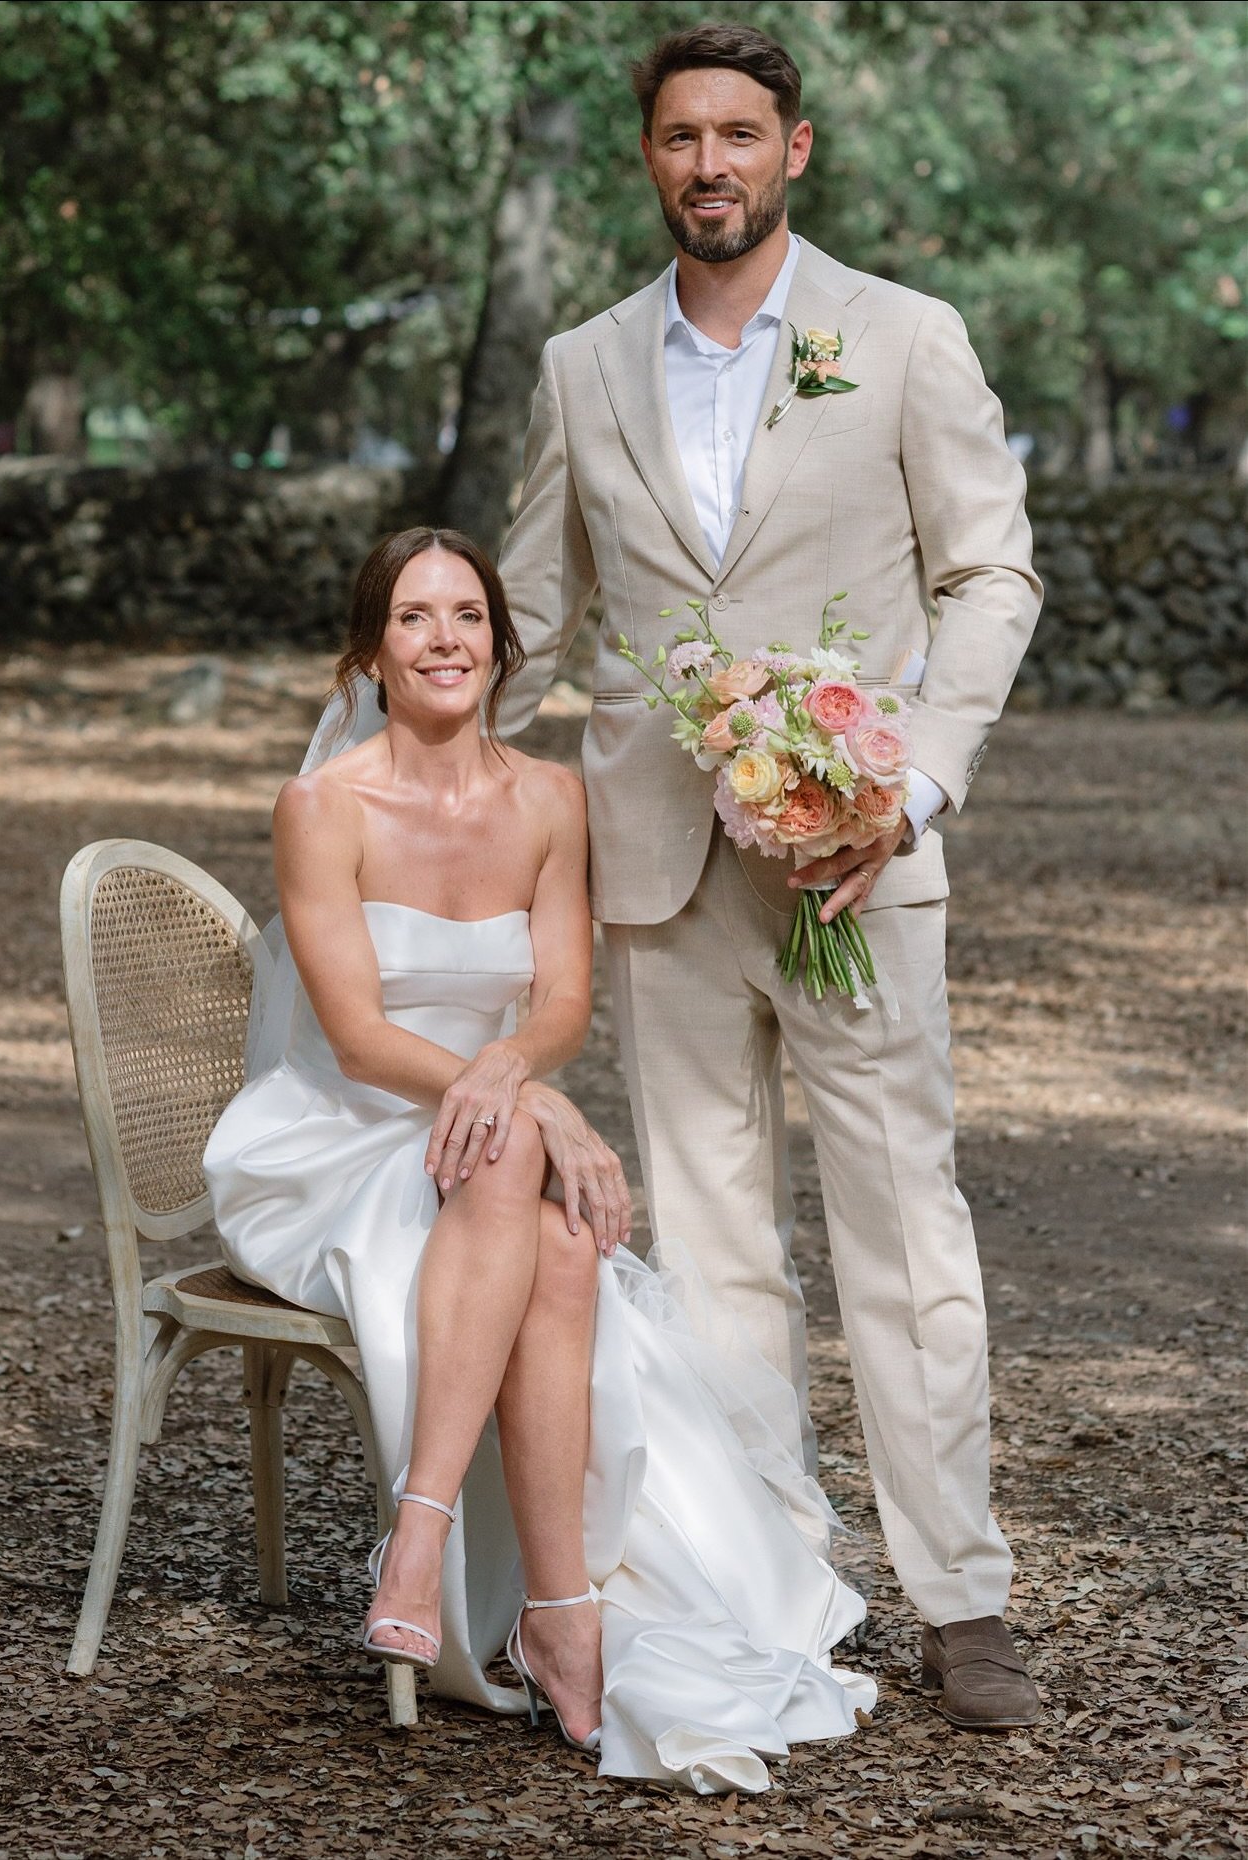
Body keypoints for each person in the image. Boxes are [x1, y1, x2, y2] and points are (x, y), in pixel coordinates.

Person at [495, 21, 1043, 1731]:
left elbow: (991, 574)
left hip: (853, 873)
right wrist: (389, 747)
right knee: (718, 1252)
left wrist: (918, 783)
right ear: (648, 158)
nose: (711, 163)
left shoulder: (902, 337)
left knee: (904, 1235)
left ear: (792, 151)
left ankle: (961, 1596)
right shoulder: (583, 366)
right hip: (657, 872)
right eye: (681, 137)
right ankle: (773, 1592)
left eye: (741, 133)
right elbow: (526, 612)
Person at [203, 527, 877, 1793]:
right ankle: (496, 1579)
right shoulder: (322, 806)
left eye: (469, 615)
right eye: (414, 618)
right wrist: (528, 1102)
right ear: (371, 650)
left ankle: (511, 1589)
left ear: (505, 647)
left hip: (478, 1124)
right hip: (336, 1138)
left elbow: (561, 1006)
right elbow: (351, 1039)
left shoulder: (551, 797)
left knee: (561, 1234)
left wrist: (525, 1083)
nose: (445, 639)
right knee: (528, 1173)